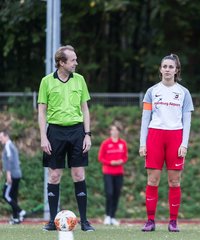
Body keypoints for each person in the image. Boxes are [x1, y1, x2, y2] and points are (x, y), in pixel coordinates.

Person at [38, 45, 95, 231]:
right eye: (73, 60)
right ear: (61, 62)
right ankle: (52, 222)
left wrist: (87, 134)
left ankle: (85, 222)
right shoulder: (46, 81)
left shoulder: (80, 80)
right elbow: (41, 112)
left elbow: (85, 109)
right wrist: (43, 137)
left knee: (78, 174)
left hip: (77, 132)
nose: (76, 63)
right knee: (54, 176)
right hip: (54, 132)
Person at [139, 53, 194, 232]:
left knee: (174, 181)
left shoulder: (184, 92)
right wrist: (142, 143)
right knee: (153, 180)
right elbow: (145, 118)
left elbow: (187, 121)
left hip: (175, 136)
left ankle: (173, 222)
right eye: (165, 66)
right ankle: (150, 221)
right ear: (160, 69)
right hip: (155, 136)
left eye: (171, 67)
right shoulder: (151, 91)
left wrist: (184, 144)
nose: (168, 70)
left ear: (176, 70)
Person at [98, 124, 128, 226]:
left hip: (119, 173)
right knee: (109, 193)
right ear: (110, 132)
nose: (114, 132)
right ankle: (107, 216)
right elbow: (100, 158)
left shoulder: (122, 143)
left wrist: (121, 161)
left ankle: (112, 216)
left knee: (116, 194)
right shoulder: (106, 143)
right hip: (108, 172)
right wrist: (111, 162)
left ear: (119, 132)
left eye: (116, 130)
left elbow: (125, 157)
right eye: (112, 130)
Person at [0, 130, 26, 224]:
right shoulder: (12, 146)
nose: (0, 139)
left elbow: (10, 161)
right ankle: (15, 218)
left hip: (13, 175)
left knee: (6, 195)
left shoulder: (8, 145)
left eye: (1, 137)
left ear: (6, 136)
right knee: (13, 197)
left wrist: (8, 175)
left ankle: (20, 211)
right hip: (17, 174)